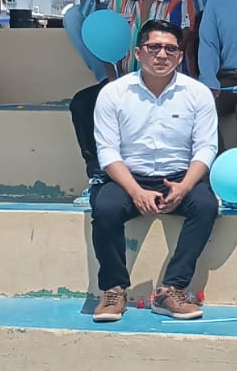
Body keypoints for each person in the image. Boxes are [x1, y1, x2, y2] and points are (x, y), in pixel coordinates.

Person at [88, 19, 218, 324]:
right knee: (105, 208)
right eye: (154, 47)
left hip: (179, 177)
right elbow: (108, 151)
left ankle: (171, 290)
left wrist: (184, 187)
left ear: (180, 56)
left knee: (206, 205)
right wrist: (136, 192)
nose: (162, 55)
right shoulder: (114, 93)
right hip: (129, 178)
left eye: (171, 49)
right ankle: (113, 289)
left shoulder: (197, 94)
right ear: (138, 53)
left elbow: (206, 148)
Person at [68, 0, 197, 184]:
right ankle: (98, 173)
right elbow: (108, 43)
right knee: (83, 103)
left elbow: (181, 46)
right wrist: (112, 81)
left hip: (166, 85)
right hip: (125, 81)